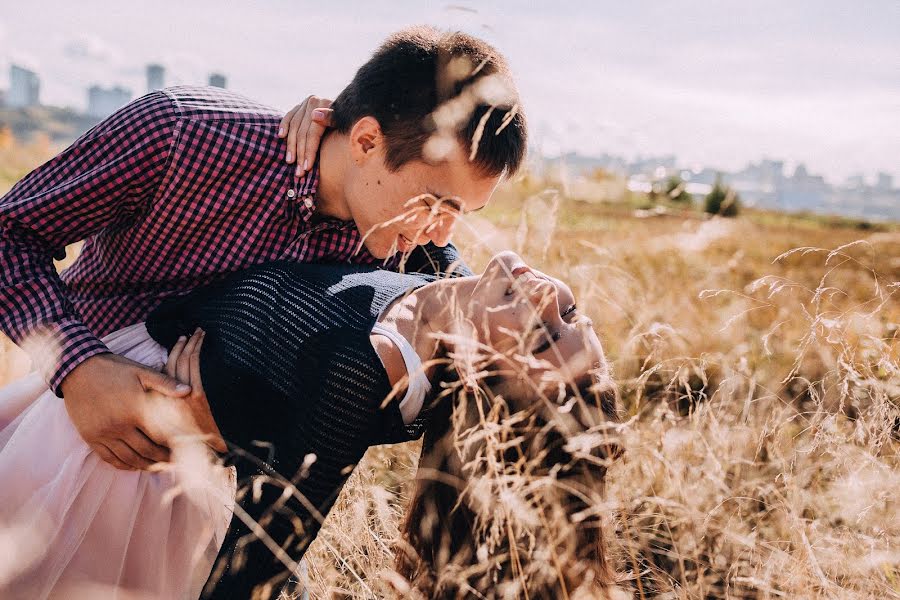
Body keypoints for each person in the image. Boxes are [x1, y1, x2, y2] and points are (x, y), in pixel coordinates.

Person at [0, 25, 526, 476]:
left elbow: (396, 379)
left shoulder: (399, 237)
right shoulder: (184, 133)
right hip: (69, 424)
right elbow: (10, 232)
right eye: (436, 202)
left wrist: (247, 434)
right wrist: (77, 366)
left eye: (460, 214)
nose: (440, 233)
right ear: (366, 142)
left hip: (209, 484)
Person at [0, 251, 614, 599]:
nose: (545, 295)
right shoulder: (443, 270)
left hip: (117, 457)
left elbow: (266, 554)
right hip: (84, 387)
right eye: (570, 312)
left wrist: (223, 432)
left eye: (541, 334)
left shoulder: (362, 371)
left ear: (486, 382)